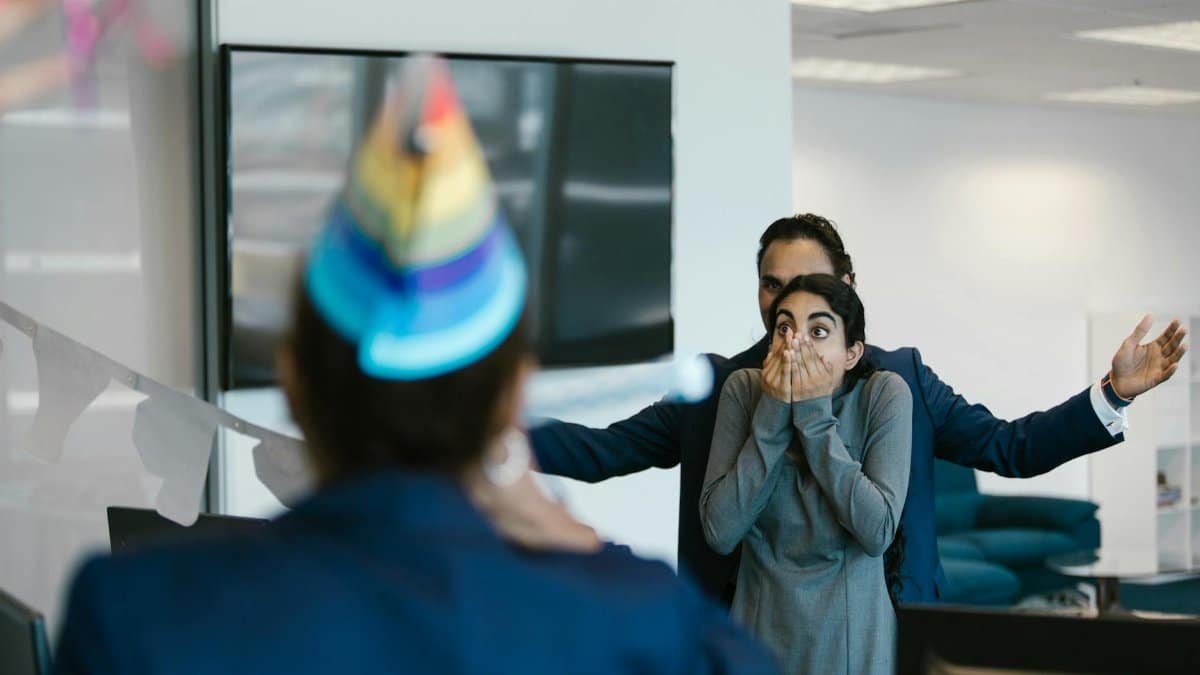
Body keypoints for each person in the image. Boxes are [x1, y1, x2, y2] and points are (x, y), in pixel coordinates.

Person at [52, 56, 776, 675]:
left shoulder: (137, 613)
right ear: (513, 398)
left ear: (295, 382)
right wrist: (574, 533)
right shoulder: (637, 623)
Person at [532, 213, 1187, 603]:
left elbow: (1012, 447)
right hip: (748, 639)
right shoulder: (719, 386)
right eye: (771, 286)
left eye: (808, 284)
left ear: (846, 286)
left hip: (886, 639)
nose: (785, 304)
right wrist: (479, 426)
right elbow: (601, 450)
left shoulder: (899, 381)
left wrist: (1115, 392)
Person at [701, 274, 911, 674]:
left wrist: (815, 417)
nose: (795, 345)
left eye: (818, 331)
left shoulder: (884, 395)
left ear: (851, 353)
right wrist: (774, 413)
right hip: (759, 636)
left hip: (852, 643)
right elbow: (720, 532)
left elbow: (877, 530)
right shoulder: (743, 391)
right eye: (784, 328)